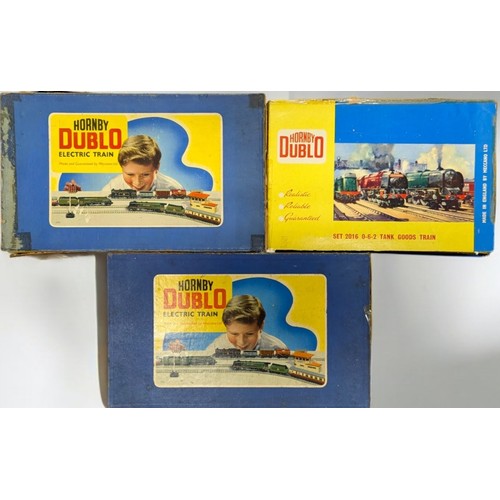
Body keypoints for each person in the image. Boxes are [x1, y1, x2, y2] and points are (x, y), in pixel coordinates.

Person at [101, 134, 184, 193]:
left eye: (145, 174)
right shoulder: (110, 189)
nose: (137, 183)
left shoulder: (174, 189)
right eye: (130, 174)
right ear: (122, 168)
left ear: (157, 168)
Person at [208, 295, 288, 351]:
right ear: (226, 327)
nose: (241, 342)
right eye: (234, 334)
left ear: (261, 326)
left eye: (249, 334)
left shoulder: (277, 348)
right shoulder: (216, 347)